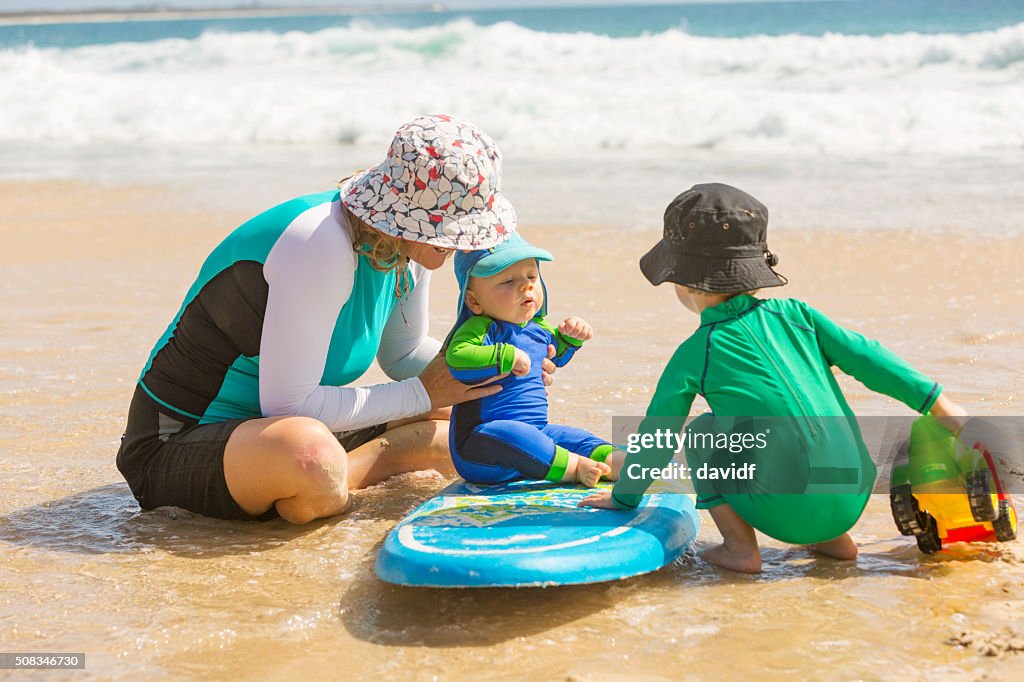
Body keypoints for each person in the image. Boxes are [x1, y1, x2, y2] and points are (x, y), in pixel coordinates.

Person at [116, 114, 556, 524]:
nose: (463, 242)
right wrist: (423, 393)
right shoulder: (320, 243)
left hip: (277, 429)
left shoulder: (410, 249)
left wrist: (497, 363)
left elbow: (403, 354)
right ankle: (339, 476)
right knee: (312, 457)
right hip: (179, 442)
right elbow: (287, 406)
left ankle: (355, 470)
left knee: (462, 408)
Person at [580, 183, 968, 573]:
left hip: (786, 513)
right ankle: (834, 540)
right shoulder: (799, 314)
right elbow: (872, 359)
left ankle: (740, 549)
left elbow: (659, 435)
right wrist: (939, 405)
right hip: (855, 495)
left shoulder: (698, 351)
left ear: (682, 281)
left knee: (702, 434)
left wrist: (625, 497)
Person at [444, 233, 625, 486]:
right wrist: (505, 356)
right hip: (480, 444)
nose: (526, 286)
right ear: (474, 301)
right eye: (507, 280)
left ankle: (614, 460)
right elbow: (457, 357)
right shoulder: (481, 328)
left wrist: (570, 338)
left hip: (536, 430)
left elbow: (555, 357)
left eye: (531, 276)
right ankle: (573, 468)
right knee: (517, 436)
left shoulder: (537, 328)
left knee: (571, 437)